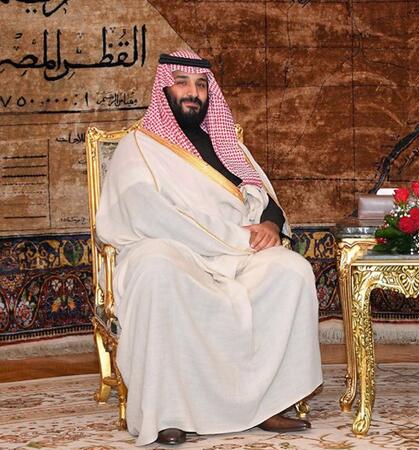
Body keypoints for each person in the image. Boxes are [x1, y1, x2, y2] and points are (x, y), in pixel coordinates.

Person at [96, 49, 323, 446]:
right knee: (157, 270)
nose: (193, 93)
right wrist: (236, 239)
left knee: (291, 271)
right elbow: (149, 214)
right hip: (172, 250)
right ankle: (168, 412)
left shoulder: (224, 141)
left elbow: (262, 196)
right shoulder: (139, 147)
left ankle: (269, 402)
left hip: (233, 256)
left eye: (201, 85)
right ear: (164, 89)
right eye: (182, 83)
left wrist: (270, 225)